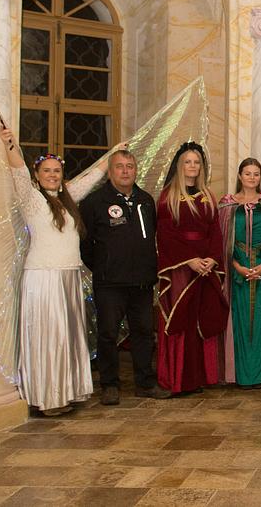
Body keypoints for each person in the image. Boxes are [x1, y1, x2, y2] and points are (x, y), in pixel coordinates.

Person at [0, 127, 118, 415]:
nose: (52, 175)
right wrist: (10, 144)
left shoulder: (67, 199)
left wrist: (114, 154)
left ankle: (66, 392)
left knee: (67, 338)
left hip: (68, 276)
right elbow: (17, 171)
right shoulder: (31, 199)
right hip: (44, 277)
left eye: (56, 171)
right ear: (37, 174)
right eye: (46, 171)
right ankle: (47, 398)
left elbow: (91, 178)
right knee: (48, 339)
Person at [80, 148, 170, 405]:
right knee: (108, 334)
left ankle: (145, 383)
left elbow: (152, 236)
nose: (125, 171)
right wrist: (103, 267)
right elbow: (85, 244)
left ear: (136, 170)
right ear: (110, 171)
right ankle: (110, 385)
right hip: (110, 283)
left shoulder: (145, 200)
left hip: (142, 281)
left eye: (130, 166)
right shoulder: (95, 202)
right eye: (120, 166)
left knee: (143, 333)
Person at [155, 142, 227, 395]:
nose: (193, 166)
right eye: (188, 162)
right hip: (182, 269)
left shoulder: (208, 196)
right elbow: (166, 235)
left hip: (204, 269)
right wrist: (189, 260)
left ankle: (199, 378)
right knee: (181, 321)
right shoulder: (168, 197)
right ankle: (178, 380)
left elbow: (215, 231)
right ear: (179, 165)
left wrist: (212, 259)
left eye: (196, 162)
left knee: (201, 320)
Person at [217, 158, 261, 390]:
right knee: (239, 321)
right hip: (236, 273)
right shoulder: (226, 205)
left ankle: (259, 374)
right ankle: (240, 375)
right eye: (248, 173)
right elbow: (222, 241)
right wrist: (236, 265)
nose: (252, 178)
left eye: (256, 174)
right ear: (239, 176)